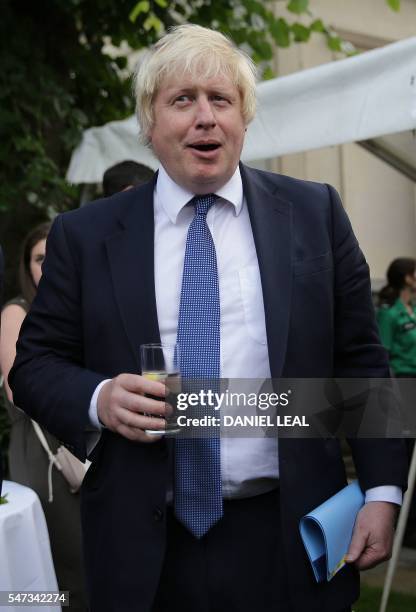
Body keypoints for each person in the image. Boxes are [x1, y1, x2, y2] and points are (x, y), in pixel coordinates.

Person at [9, 25, 407, 612]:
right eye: (182, 100)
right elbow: (33, 366)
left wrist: (382, 490)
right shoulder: (86, 236)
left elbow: (362, 362)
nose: (205, 118)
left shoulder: (313, 212)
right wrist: (98, 398)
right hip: (145, 546)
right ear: (150, 121)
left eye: (221, 100)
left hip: (291, 533)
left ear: (244, 117)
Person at [0, 223, 87, 611]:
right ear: (27, 266)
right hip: (42, 449)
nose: (48, 264)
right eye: (39, 258)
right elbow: (18, 391)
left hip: (85, 439)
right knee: (59, 554)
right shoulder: (17, 312)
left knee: (91, 553)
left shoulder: (81, 306)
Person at [377, 257, 416, 547]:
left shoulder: (413, 310)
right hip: (402, 387)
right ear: (407, 278)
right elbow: (382, 357)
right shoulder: (389, 315)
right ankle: (400, 525)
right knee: (404, 454)